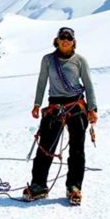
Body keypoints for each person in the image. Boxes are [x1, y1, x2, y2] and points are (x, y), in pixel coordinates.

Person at [23, 27, 98, 205]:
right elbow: (42, 81)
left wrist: (92, 108)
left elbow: (88, 84)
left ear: (73, 41)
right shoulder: (48, 60)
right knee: (45, 148)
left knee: (77, 149)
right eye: (62, 37)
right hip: (54, 106)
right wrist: (37, 104)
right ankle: (38, 185)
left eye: (69, 38)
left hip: (76, 106)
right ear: (56, 40)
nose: (65, 40)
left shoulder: (80, 61)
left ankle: (74, 187)